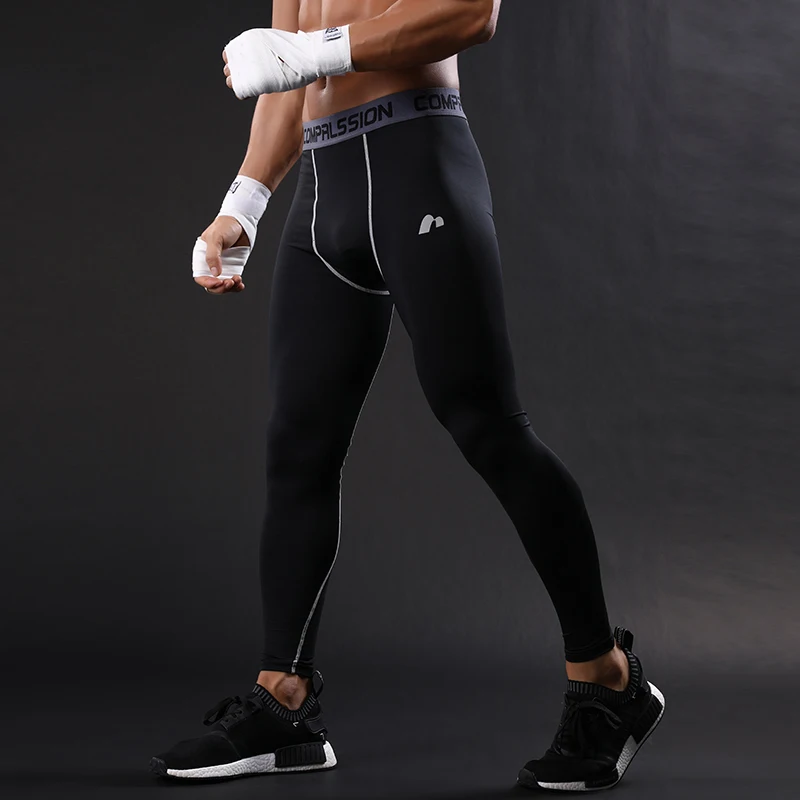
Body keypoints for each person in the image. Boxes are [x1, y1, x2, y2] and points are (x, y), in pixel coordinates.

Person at [151, 0, 665, 790]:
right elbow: (287, 68)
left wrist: (311, 53)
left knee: (487, 425)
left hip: (414, 162)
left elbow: (471, 13)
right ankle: (284, 703)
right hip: (324, 193)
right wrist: (242, 205)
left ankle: (608, 681)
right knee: (298, 447)